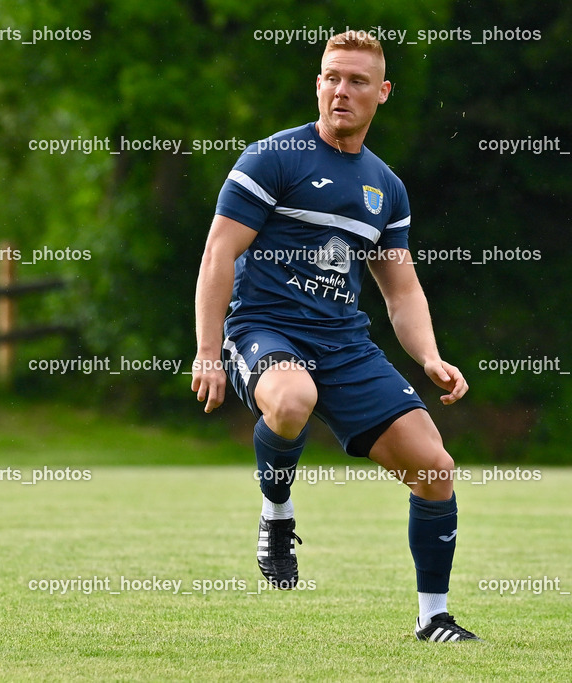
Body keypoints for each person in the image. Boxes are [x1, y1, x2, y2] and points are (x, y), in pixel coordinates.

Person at [191, 31, 479, 642]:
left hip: (344, 344)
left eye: (355, 81)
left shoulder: (385, 188)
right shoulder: (273, 158)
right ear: (317, 83)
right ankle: (277, 513)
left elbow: (401, 289)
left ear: (383, 93)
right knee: (293, 400)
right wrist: (209, 352)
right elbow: (219, 252)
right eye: (330, 77)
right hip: (264, 328)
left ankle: (434, 619)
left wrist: (428, 357)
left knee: (435, 467)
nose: (340, 90)